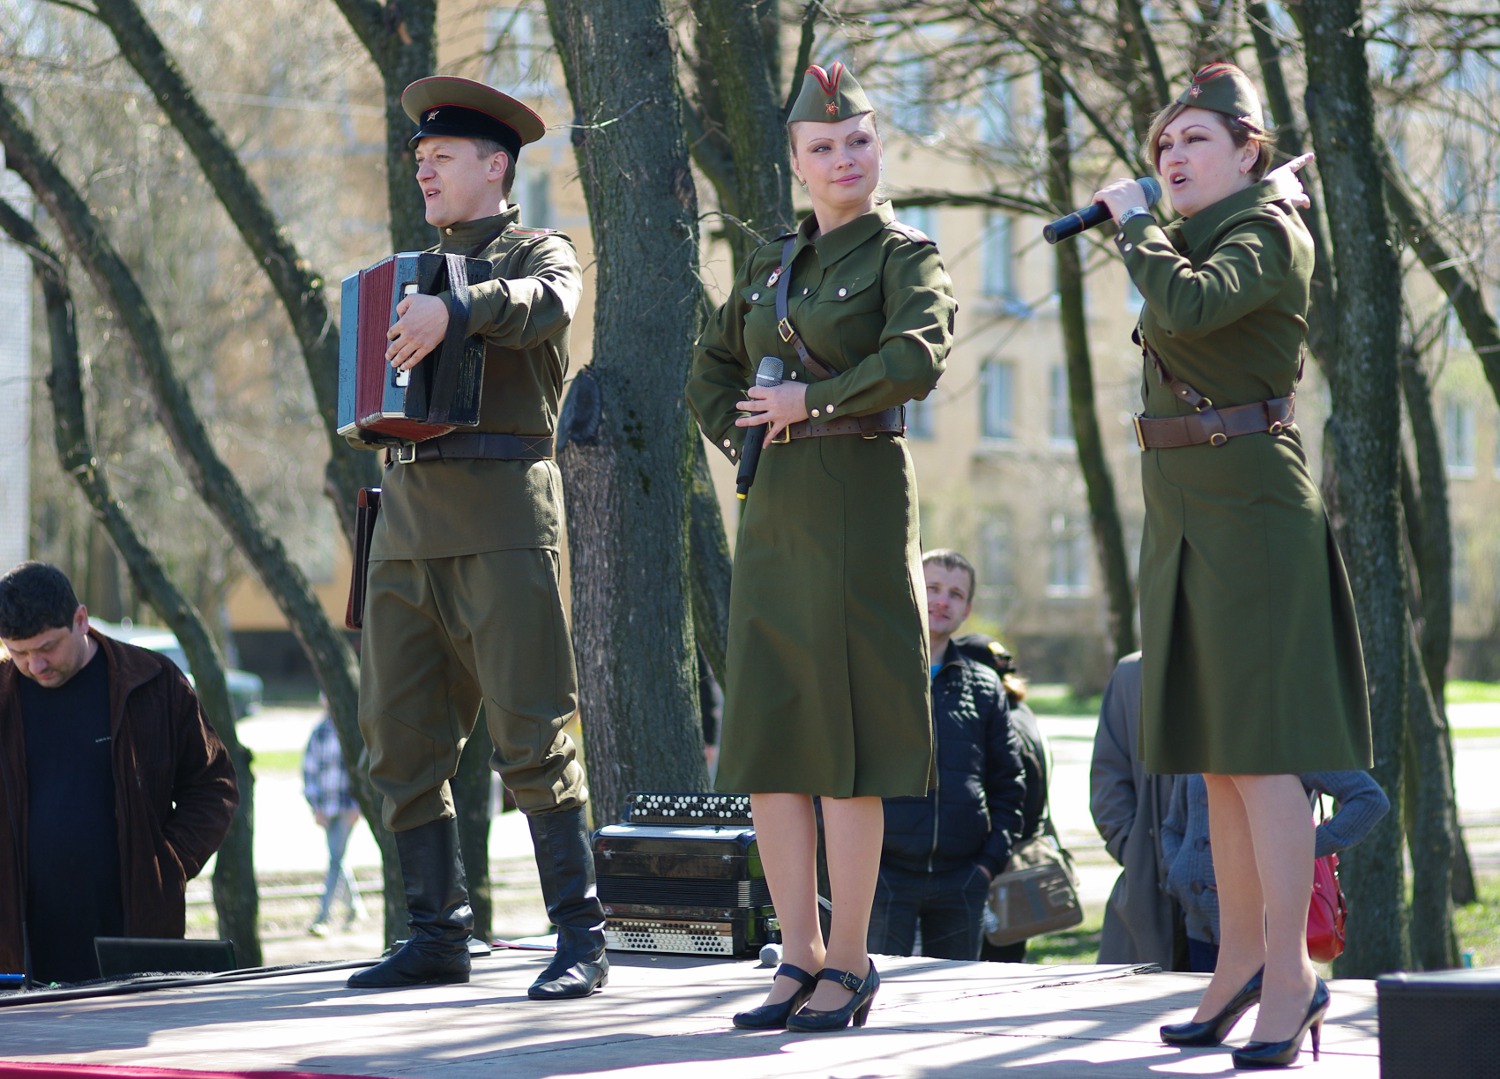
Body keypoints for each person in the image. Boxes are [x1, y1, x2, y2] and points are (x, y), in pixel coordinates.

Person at [1094, 62, 1373, 1069]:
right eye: (1163, 144)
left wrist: (1132, 225)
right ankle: (1241, 962)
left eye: (1194, 140)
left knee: (1263, 753)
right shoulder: (1198, 232)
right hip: (1183, 503)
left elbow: (1194, 305)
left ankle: (1292, 977)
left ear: (1250, 149)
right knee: (1215, 750)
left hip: (1250, 501)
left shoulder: (1268, 231)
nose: (1170, 156)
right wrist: (1150, 229)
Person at [686, 62, 954, 1032]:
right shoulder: (772, 265)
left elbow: (919, 355)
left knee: (841, 742)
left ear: (877, 148)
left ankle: (851, 958)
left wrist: (814, 400)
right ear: (796, 163)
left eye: (858, 141)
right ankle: (795, 954)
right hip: (778, 506)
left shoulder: (904, 254)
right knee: (773, 737)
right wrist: (750, 427)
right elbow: (712, 364)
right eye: (823, 147)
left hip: (859, 500)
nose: (844, 157)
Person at [346, 76, 606, 1000]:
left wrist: (455, 310)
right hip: (407, 523)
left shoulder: (539, 248)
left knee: (532, 728)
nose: (423, 172)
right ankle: (436, 931)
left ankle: (581, 935)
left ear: (494, 167)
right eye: (419, 160)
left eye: (441, 158)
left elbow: (549, 303)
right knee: (397, 737)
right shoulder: (409, 271)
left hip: (501, 515)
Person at [0, 562, 239, 986]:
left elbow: (212, 786)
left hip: (132, 932)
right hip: (19, 945)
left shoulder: (153, 682)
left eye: (47, 648)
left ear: (81, 620)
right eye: (18, 653)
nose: (35, 666)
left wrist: (167, 865)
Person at [868, 550, 1026, 961]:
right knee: (878, 999)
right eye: (932, 588)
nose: (942, 600)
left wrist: (987, 865)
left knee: (952, 1003)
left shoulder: (985, 686)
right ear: (911, 591)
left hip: (963, 879)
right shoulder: (872, 670)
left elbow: (1009, 784)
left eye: (955, 594)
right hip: (882, 876)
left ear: (967, 609)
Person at [1162, 770, 1388, 973]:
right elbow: (1173, 826)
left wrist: (1294, 851)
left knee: (1269, 1015)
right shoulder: (1207, 739)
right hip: (1197, 927)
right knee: (1206, 1013)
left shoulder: (1286, 739)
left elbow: (1369, 800)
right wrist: (1179, 870)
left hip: (1271, 934)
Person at [955, 635, 1054, 964]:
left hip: (1001, 870)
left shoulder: (1000, 722)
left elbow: (1009, 794)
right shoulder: (1024, 712)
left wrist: (985, 863)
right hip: (1018, 867)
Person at [1090, 651, 1184, 970]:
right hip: (1149, 890)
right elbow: (1108, 777)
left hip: (1233, 895)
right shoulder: (1132, 674)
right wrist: (1133, 849)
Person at [301, 711, 367, 936]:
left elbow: (361, 771)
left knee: (335, 859)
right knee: (338, 859)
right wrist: (315, 806)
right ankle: (355, 908)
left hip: (347, 808)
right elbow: (309, 770)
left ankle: (323, 917)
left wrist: (358, 806)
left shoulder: (353, 731)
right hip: (327, 808)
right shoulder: (319, 732)